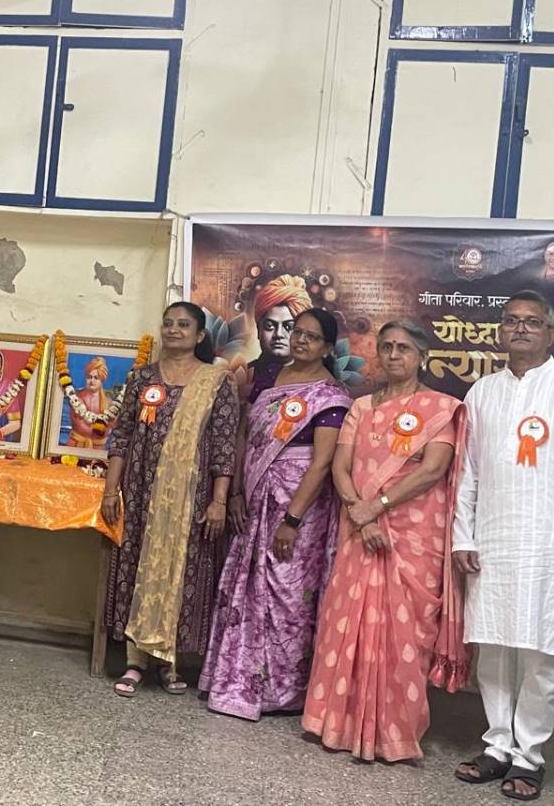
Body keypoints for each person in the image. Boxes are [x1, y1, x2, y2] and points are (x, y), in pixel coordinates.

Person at [302, 319, 469, 761]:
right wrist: (362, 516)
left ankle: (393, 732)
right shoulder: (360, 407)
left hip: (412, 536)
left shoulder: (440, 407)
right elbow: (341, 468)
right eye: (387, 347)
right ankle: (334, 722)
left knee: (406, 633)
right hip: (360, 529)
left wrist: (376, 506)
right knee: (347, 622)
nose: (394, 355)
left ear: (422, 356)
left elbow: (433, 469)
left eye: (404, 348)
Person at [452, 291, 554, 801]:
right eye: (511, 321)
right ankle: (497, 747)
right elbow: (468, 472)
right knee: (493, 648)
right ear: (500, 332)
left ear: (552, 333)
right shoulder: (481, 392)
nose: (521, 328)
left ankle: (529, 756)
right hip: (495, 540)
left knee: (543, 654)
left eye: (532, 321)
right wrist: (463, 535)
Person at [200, 308, 351, 720]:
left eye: (311, 337)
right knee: (247, 586)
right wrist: (235, 492)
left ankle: (282, 690)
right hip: (253, 497)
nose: (300, 340)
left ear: (327, 347)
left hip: (299, 507)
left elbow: (322, 463)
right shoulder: (268, 377)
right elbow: (244, 434)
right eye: (298, 332)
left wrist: (292, 521)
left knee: (288, 593)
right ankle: (236, 678)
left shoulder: (331, 396)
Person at [103, 301, 239, 697]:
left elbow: (224, 447)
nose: (173, 330)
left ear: (200, 335)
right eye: (168, 323)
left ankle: (170, 662)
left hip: (191, 498)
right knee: (138, 566)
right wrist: (111, 490)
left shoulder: (217, 382)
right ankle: (135, 662)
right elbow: (121, 437)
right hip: (140, 492)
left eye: (183, 325)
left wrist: (218, 500)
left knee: (183, 570)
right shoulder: (142, 377)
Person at [252, 274, 313, 370]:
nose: (278, 334)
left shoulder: (318, 377)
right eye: (269, 326)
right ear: (258, 330)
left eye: (289, 327)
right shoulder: (241, 376)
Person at [67, 356, 110, 449]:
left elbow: (111, 427)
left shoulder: (108, 403)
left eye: (96, 378)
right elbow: (81, 427)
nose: (92, 381)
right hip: (76, 446)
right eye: (89, 377)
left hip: (99, 449)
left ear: (102, 380)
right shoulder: (76, 399)